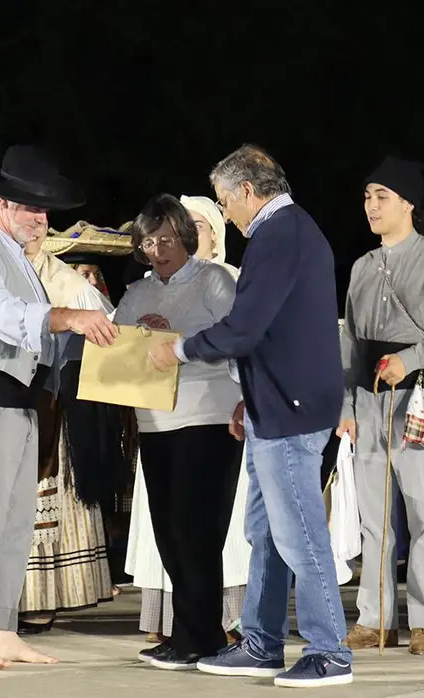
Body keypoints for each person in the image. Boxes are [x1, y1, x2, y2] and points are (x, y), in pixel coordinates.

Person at [148, 144, 352, 688]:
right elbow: (279, 329)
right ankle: (261, 642)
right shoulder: (288, 232)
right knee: (265, 531)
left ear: (246, 190)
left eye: (224, 200)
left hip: (292, 406)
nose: (225, 213)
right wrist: (250, 396)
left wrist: (179, 350)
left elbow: (245, 326)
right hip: (275, 400)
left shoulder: (279, 233)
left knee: (299, 532)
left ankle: (329, 651)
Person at [0, 145, 116, 671]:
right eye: (29, 208)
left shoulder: (17, 254)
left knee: (16, 522)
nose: (40, 219)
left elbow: (50, 332)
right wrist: (69, 318)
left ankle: (2, 629)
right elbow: (3, 315)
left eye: (43, 211)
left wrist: (109, 331)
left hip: (19, 400)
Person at [336, 156, 424, 655]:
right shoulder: (361, 266)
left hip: (418, 397)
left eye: (382, 197)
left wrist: (409, 358)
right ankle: (374, 619)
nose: (371, 206)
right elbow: (351, 341)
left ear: (408, 204)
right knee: (374, 519)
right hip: (370, 401)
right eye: (367, 197)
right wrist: (346, 404)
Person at [115, 194, 244, 670]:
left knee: (197, 529)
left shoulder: (213, 281)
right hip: (155, 421)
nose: (158, 249)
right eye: (148, 240)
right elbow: (120, 347)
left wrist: (244, 397)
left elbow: (240, 338)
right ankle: (190, 633)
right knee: (170, 531)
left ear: (188, 238)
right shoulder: (137, 293)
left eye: (167, 238)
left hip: (207, 417)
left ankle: (201, 636)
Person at [17, 214, 133, 635]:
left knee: (63, 498)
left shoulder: (73, 287)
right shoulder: (18, 277)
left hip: (65, 412)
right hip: (27, 403)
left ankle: (48, 597)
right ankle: (21, 598)